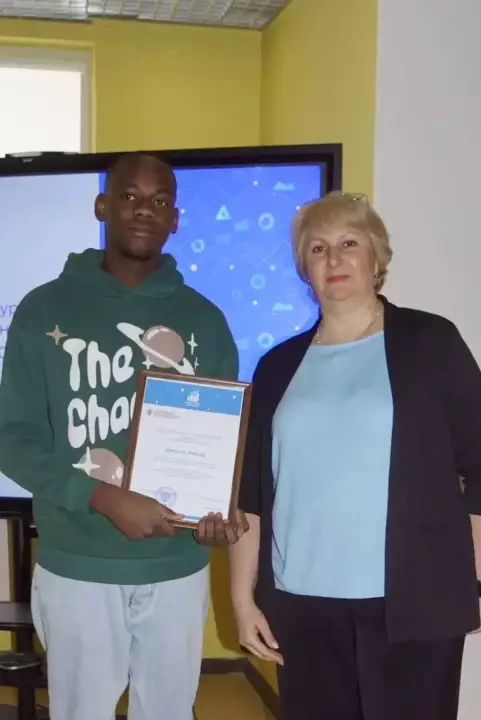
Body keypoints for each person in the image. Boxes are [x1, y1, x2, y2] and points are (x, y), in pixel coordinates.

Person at [0, 152, 247, 720]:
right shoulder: (42, 310)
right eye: (130, 196)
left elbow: (222, 444)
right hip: (76, 566)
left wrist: (215, 514)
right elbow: (13, 438)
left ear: (175, 219)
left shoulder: (205, 321)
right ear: (101, 206)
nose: (144, 210)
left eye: (160, 200)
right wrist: (104, 497)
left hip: (176, 567)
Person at [229, 191, 481, 720]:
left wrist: (475, 578)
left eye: (349, 243)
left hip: (413, 604)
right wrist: (242, 598)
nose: (334, 259)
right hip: (300, 607)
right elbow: (250, 494)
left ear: (376, 256)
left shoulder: (431, 342)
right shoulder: (276, 367)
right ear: (304, 268)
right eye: (318, 248)